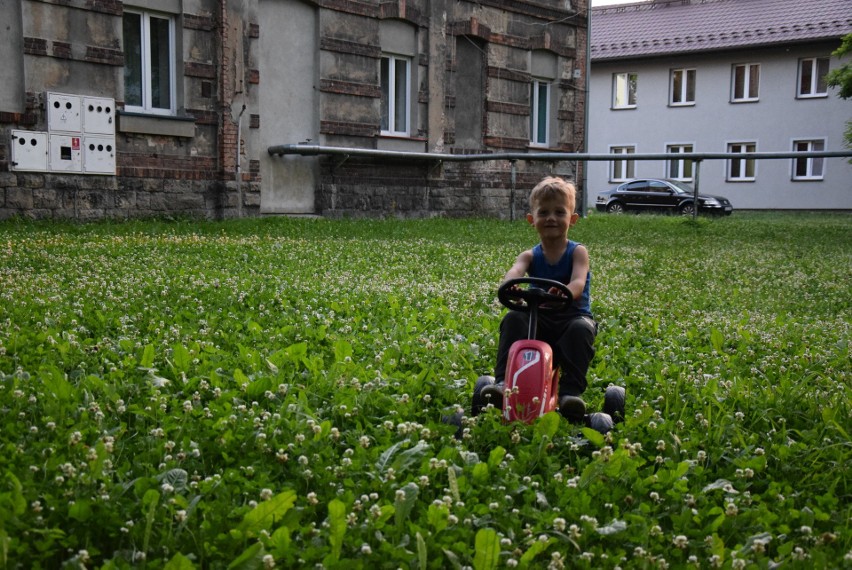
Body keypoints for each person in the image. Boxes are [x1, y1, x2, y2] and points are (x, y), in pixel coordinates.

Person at [473, 176, 597, 424]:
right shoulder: (529, 255)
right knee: (513, 319)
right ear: (532, 220)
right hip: (538, 319)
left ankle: (570, 393)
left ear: (572, 219)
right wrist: (510, 286)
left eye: (559, 212)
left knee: (581, 329)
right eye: (544, 212)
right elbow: (515, 272)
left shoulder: (578, 252)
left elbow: (577, 283)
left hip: (571, 317)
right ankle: (503, 383)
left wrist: (563, 292)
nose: (551, 218)